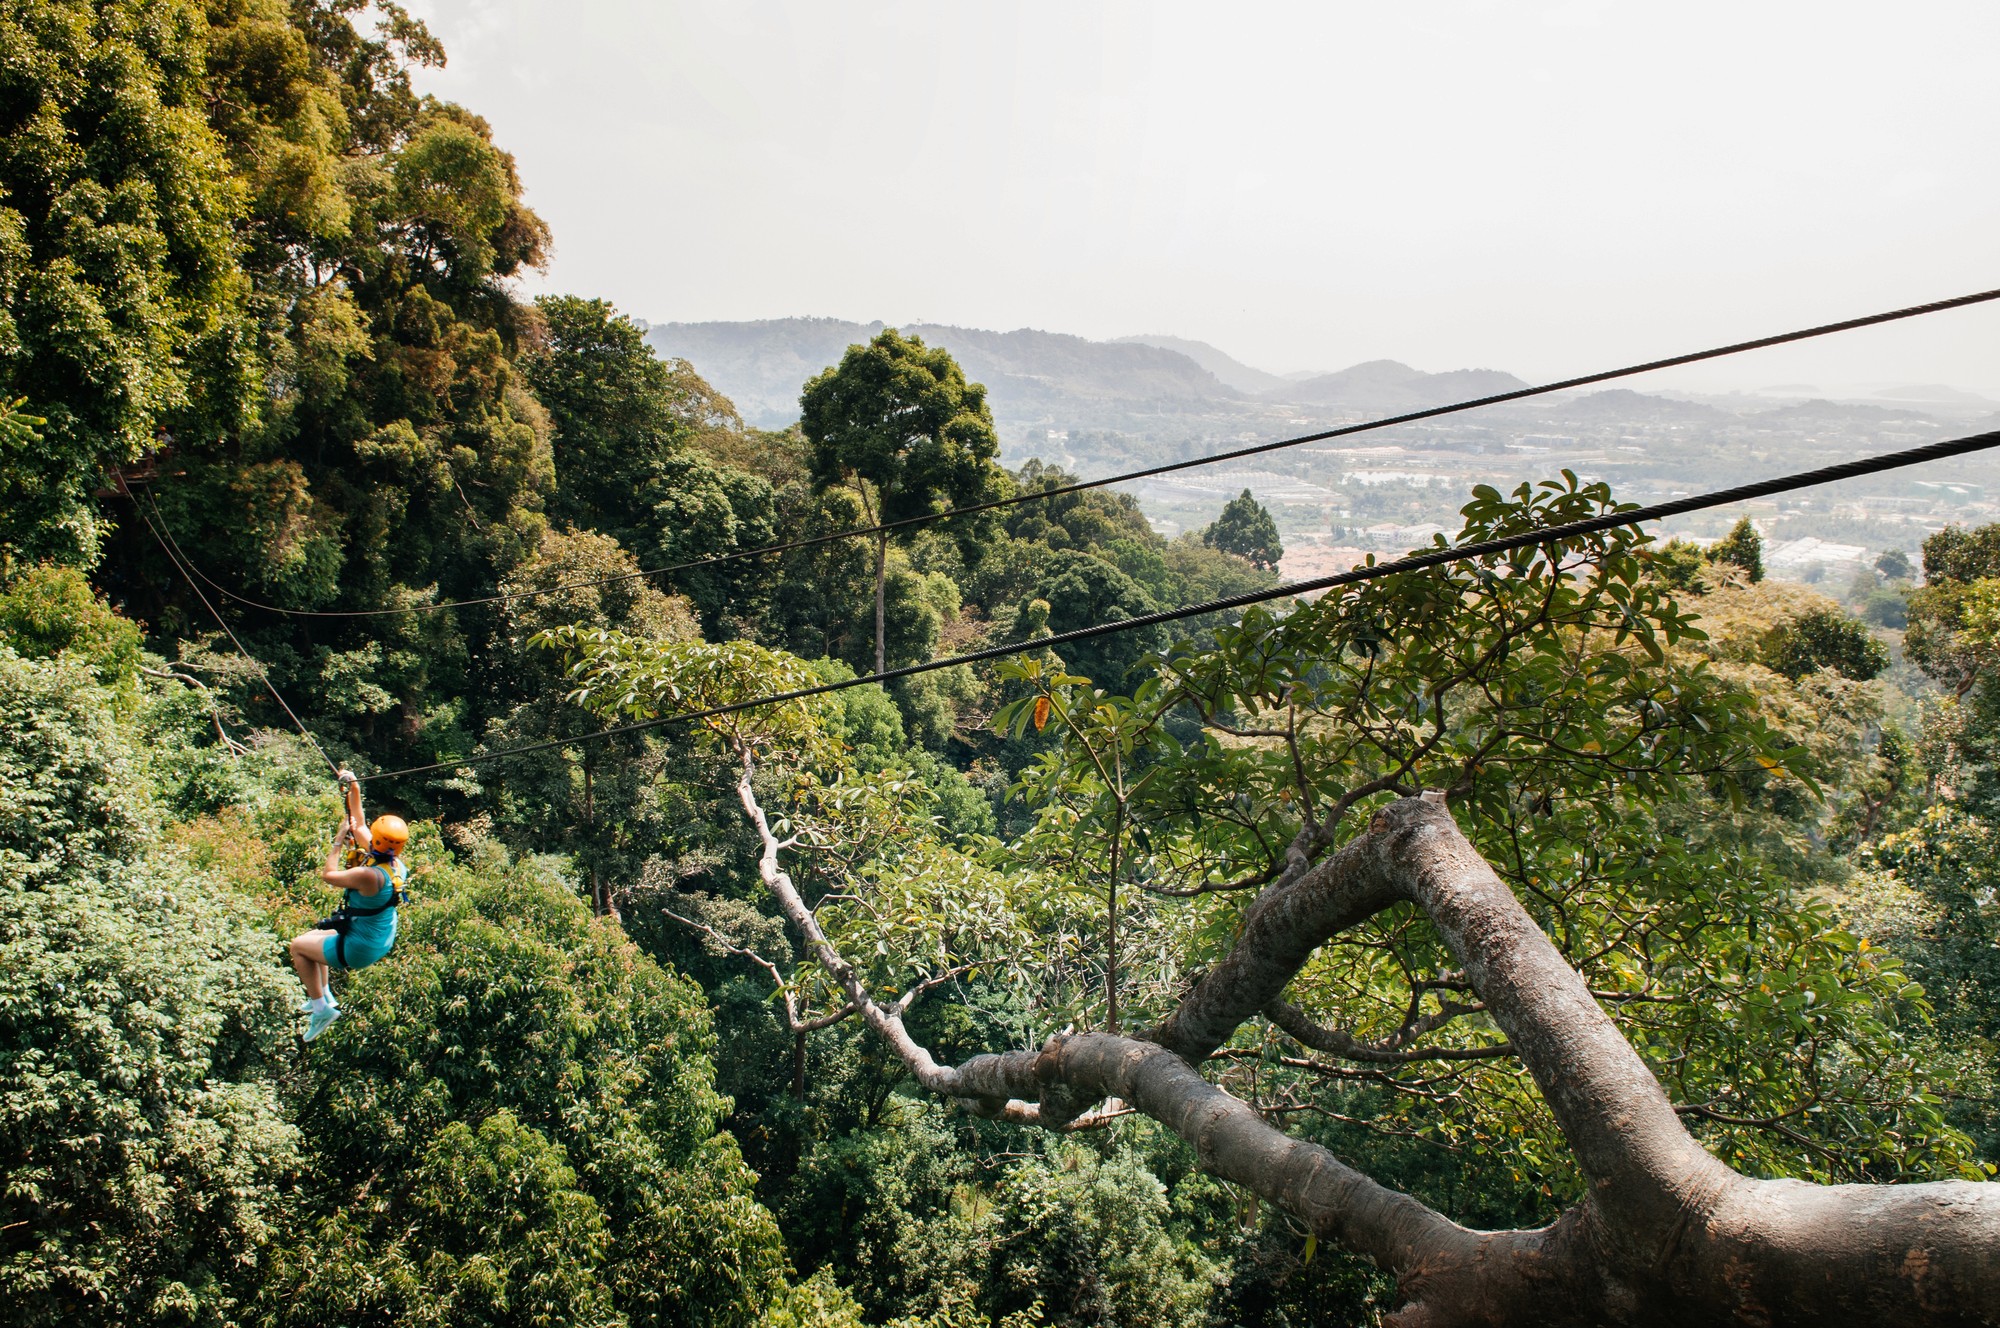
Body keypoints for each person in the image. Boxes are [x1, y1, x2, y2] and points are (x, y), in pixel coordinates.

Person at [286, 769, 407, 1041]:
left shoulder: (369, 876)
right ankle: (324, 995)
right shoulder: (395, 865)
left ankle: (321, 1010)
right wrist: (354, 787)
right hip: (378, 938)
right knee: (313, 938)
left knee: (298, 947)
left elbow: (328, 875)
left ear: (377, 839)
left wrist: (339, 839)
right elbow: (359, 823)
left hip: (359, 947)